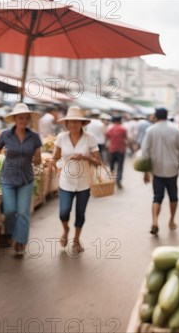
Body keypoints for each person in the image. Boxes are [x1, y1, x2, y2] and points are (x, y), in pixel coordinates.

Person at [0, 103, 42, 258]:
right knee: (10, 210)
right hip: (7, 179)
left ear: (29, 120)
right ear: (15, 119)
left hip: (26, 179)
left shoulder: (35, 137)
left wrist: (38, 159)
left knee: (23, 212)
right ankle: (11, 233)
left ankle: (20, 242)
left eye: (26, 118)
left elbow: (38, 160)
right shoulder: (5, 135)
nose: (23, 120)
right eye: (20, 118)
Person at [48, 106, 102, 254]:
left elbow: (98, 162)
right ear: (66, 123)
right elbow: (55, 157)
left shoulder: (90, 139)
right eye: (71, 122)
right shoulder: (61, 138)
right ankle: (65, 230)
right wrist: (52, 163)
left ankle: (76, 240)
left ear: (83, 123)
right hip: (66, 182)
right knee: (63, 212)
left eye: (77, 122)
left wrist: (84, 157)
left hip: (84, 183)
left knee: (80, 213)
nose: (74, 124)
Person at [140, 108, 179, 235]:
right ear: (167, 115)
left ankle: (154, 222)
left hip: (157, 169)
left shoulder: (150, 130)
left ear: (155, 116)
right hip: (172, 168)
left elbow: (144, 152)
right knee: (173, 196)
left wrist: (145, 172)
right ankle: (171, 221)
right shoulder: (176, 129)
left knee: (157, 197)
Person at [105, 115, 127, 189]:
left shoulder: (111, 129)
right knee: (120, 166)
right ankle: (118, 180)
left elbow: (107, 136)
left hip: (112, 149)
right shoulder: (123, 129)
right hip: (121, 150)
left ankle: (111, 177)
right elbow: (126, 138)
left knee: (112, 164)